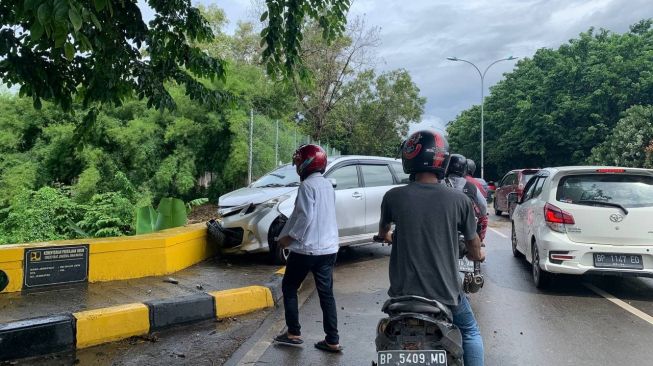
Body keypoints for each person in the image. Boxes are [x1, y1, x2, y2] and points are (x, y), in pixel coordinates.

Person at [377, 130, 486, 366]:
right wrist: (478, 253)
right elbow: (473, 245)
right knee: (470, 331)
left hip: (401, 296)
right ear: (442, 160)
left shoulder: (393, 197)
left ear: (409, 159)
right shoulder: (460, 200)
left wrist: (387, 236)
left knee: (385, 334)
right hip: (446, 295)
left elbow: (383, 231)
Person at [274, 144, 342, 353]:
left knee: (289, 287)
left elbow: (305, 216)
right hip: (328, 249)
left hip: (306, 249)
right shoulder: (327, 185)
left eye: (297, 161)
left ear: (306, 162)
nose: (296, 165)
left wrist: (289, 239)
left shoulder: (306, 187)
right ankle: (332, 339)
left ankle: (293, 333)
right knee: (326, 294)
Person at [446, 154, 488, 242]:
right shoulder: (472, 185)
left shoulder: (440, 183)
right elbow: (483, 206)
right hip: (467, 225)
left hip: (446, 224)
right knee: (478, 253)